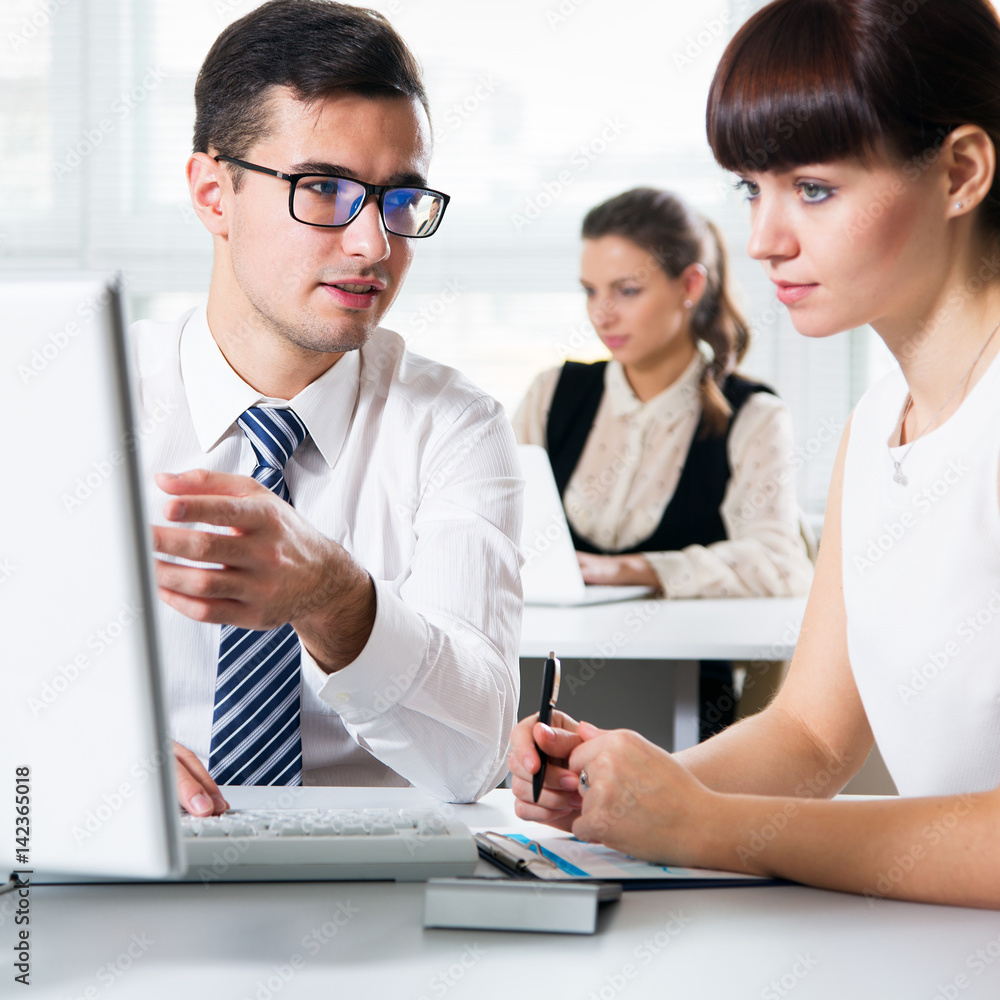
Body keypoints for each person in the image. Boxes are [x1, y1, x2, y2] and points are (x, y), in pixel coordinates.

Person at [510, 0, 1000, 907]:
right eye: (752, 188)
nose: (766, 239)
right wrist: (628, 790)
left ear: (962, 172)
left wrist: (709, 826)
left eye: (813, 188)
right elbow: (812, 737)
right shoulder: (878, 417)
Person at [135, 0, 522, 814]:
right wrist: (57, 766)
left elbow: (475, 755)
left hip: (372, 896)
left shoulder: (456, 425)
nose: (374, 245)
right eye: (324, 188)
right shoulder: (80, 400)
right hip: (117, 874)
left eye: (398, 200)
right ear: (213, 193)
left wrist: (337, 598)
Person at [511, 188, 813, 739]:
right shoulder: (552, 393)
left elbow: (782, 562)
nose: (602, 313)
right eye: (590, 291)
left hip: (685, 699)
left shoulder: (753, 414)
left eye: (627, 290)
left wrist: (638, 569)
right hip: (541, 689)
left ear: (690, 287)